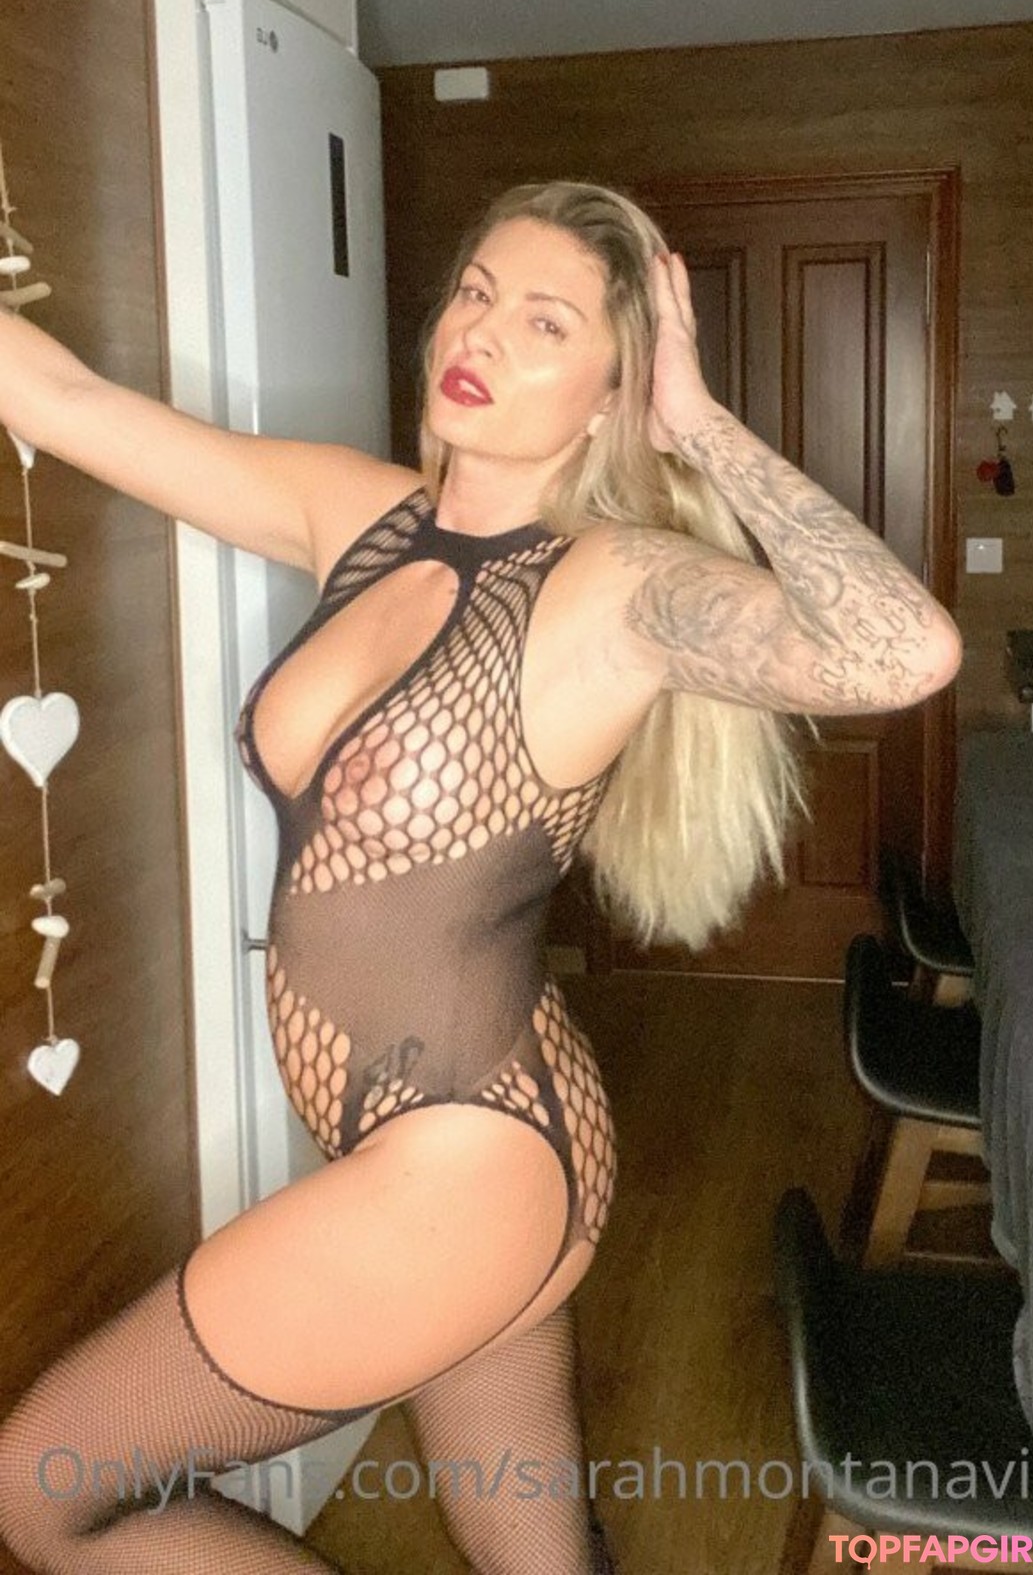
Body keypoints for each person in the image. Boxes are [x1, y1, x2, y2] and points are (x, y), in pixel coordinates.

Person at [0, 180, 962, 1573]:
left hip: (467, 1165)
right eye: (475, 292)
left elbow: (902, 652)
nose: (483, 333)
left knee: (45, 1491)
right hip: (467, 1134)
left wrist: (700, 424)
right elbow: (67, 402)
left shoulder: (609, 587)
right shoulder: (360, 516)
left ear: (613, 392)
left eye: (546, 322)